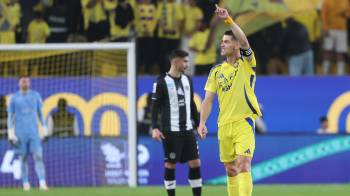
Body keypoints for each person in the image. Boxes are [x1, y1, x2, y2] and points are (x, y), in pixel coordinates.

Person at [198, 5, 262, 196]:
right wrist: (202, 121)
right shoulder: (216, 71)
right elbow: (208, 99)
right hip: (223, 125)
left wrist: (228, 20)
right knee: (230, 170)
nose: (222, 44)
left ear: (235, 45)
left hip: (243, 121)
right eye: (222, 42)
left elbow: (244, 40)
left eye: (226, 41)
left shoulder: (247, 63)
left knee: (243, 165)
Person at [151, 49, 202, 196]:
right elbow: (155, 107)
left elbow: (191, 104)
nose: (187, 64)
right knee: (170, 164)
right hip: (170, 130)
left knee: (195, 163)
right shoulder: (161, 81)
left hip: (188, 130)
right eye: (185, 61)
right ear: (175, 61)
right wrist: (155, 127)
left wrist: (199, 124)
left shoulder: (187, 80)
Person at [7, 76, 49, 191]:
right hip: (20, 133)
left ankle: (42, 183)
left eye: (27, 80)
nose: (25, 82)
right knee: (23, 158)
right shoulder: (14, 98)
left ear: (29, 83)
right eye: (22, 81)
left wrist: (44, 131)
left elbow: (40, 113)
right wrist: (11, 134)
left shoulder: (35, 95)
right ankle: (25, 183)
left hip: (34, 133)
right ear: (19, 83)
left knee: (38, 156)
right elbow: (10, 117)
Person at [322, 0, 349, 75]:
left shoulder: (346, 1)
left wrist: (345, 14)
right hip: (329, 30)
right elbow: (323, 15)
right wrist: (325, 28)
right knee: (327, 51)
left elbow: (349, 13)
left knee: (340, 52)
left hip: (342, 30)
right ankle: (325, 74)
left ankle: (340, 75)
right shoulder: (327, 1)